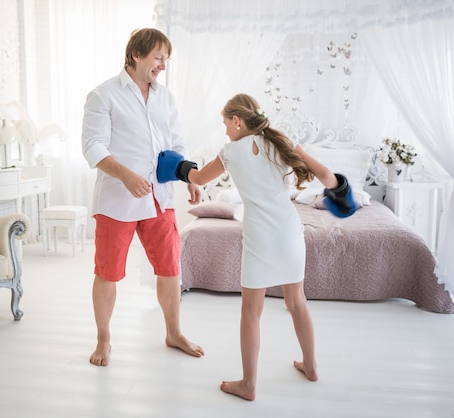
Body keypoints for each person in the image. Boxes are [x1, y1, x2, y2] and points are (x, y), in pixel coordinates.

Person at [159, 93, 356, 400]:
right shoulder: (282, 144)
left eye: (225, 123)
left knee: (251, 312)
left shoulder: (229, 152)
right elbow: (328, 177)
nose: (224, 130)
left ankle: (249, 384)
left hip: (260, 237)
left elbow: (196, 176)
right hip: (290, 232)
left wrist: (173, 163)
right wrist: (342, 194)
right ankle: (312, 365)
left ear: (237, 121)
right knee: (297, 302)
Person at [81, 28, 204, 367]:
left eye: (166, 59)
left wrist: (191, 176)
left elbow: (176, 144)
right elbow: (92, 146)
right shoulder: (103, 95)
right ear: (137, 55)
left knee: (169, 268)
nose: (163, 65)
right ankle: (104, 340)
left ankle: (174, 332)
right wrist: (124, 175)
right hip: (117, 200)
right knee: (108, 272)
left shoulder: (165, 98)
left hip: (158, 198)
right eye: (158, 58)